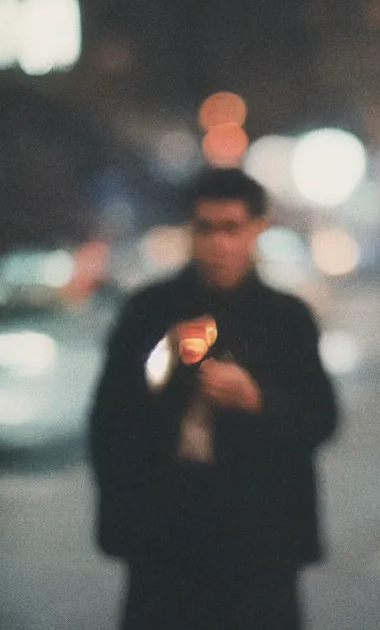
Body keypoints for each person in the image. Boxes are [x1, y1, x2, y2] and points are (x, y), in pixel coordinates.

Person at [89, 168, 339, 630]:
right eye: (206, 228)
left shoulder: (286, 318)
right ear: (189, 229)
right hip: (168, 532)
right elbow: (111, 422)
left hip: (258, 536)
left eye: (232, 228)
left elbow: (321, 418)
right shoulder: (149, 310)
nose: (219, 244)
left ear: (256, 229)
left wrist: (257, 399)